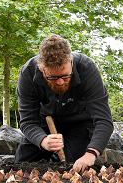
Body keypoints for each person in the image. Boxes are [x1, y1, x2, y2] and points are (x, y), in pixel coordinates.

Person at [15, 34, 114, 172]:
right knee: (21, 166)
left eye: (65, 75)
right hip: (44, 123)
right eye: (53, 77)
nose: (60, 82)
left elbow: (104, 120)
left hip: (79, 122)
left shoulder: (87, 68)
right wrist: (43, 140)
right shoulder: (28, 73)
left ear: (71, 61)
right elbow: (27, 121)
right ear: (40, 67)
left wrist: (91, 153)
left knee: (77, 167)